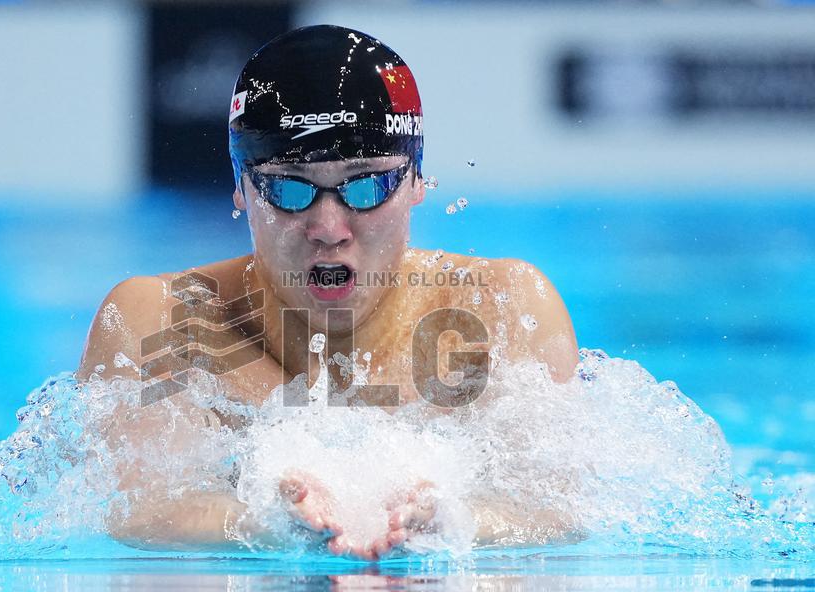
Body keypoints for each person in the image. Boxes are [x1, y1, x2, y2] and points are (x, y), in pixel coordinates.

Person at [77, 25, 579, 560]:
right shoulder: (162, 319)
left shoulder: (504, 308)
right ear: (241, 187)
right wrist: (258, 523)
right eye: (289, 188)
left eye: (368, 185)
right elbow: (132, 510)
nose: (329, 228)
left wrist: (458, 521)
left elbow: (561, 510)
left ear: (417, 181)